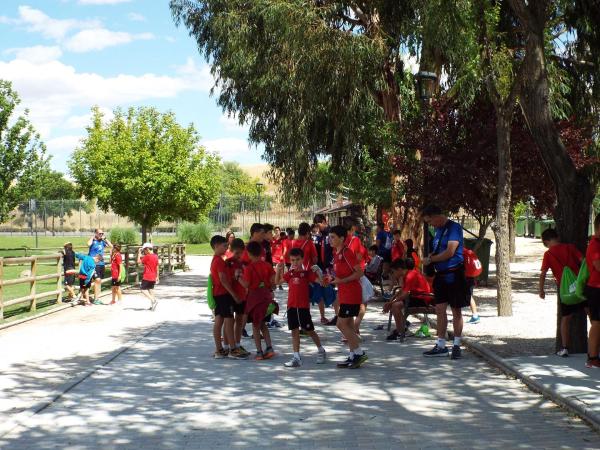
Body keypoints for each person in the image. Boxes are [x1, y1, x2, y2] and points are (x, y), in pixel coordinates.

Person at [421, 205, 468, 360]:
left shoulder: (453, 228)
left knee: (456, 310)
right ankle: (441, 344)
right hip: (440, 275)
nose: (431, 225)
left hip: (454, 273)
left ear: (437, 216)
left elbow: (450, 251)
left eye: (431, 221)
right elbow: (438, 249)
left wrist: (431, 259)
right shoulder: (438, 230)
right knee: (440, 309)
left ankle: (456, 344)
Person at [275, 248, 327, 367]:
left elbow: (323, 282)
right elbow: (277, 282)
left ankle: (321, 350)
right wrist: (278, 270)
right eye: (293, 260)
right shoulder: (290, 274)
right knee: (294, 332)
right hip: (291, 306)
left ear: (302, 259)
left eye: (298, 260)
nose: (295, 262)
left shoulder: (307, 273)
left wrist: (319, 272)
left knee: (309, 331)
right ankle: (296, 357)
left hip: (303, 307)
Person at [538, 229, 584, 356]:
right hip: (580, 286)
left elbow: (543, 273)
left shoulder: (548, 254)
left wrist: (541, 290)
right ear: (557, 237)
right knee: (592, 316)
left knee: (565, 319)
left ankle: (565, 348)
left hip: (565, 291)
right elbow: (583, 261)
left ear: (546, 241)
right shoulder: (570, 247)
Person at [328, 225, 368, 369]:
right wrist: (331, 278)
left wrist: (342, 280)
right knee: (349, 324)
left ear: (342, 238)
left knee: (341, 324)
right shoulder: (336, 253)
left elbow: (359, 273)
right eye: (329, 237)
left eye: (333, 237)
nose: (330, 239)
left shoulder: (347, 253)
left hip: (352, 293)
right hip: (344, 293)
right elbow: (340, 274)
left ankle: (359, 352)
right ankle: (353, 356)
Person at [239, 241, 277, 360]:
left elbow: (246, 284)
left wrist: (238, 277)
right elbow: (273, 281)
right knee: (263, 325)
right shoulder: (267, 265)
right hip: (266, 297)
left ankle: (259, 351)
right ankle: (269, 347)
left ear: (249, 254)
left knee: (255, 327)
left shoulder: (249, 268)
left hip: (254, 299)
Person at [210, 235, 246, 359]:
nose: (226, 248)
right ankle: (233, 349)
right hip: (224, 294)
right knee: (229, 321)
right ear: (216, 246)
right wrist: (234, 294)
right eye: (224, 246)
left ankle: (219, 349)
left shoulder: (217, 259)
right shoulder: (219, 261)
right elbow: (223, 279)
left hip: (218, 294)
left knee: (219, 320)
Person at [383, 258, 432, 341]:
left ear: (399, 269)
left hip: (423, 298)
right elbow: (403, 290)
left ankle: (401, 332)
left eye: (393, 272)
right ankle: (402, 329)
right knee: (395, 304)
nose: (393, 274)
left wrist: (391, 303)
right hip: (416, 297)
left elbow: (404, 294)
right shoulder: (408, 274)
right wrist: (392, 299)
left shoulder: (410, 275)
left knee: (395, 305)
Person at [226, 238, 251, 357]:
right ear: (231, 251)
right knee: (229, 321)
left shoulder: (244, 264)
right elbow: (225, 281)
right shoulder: (228, 263)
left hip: (242, 295)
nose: (238, 255)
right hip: (231, 296)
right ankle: (228, 346)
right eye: (236, 253)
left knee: (240, 320)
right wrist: (234, 277)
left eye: (241, 253)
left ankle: (237, 343)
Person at [313, 214, 336, 325]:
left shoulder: (331, 234)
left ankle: (337, 315)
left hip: (330, 268)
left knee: (334, 291)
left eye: (319, 225)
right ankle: (323, 316)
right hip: (321, 268)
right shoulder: (319, 236)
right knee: (320, 291)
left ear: (323, 222)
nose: (318, 228)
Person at [585, 215, 600, 369]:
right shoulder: (595, 244)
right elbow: (598, 265)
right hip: (596, 289)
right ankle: (593, 357)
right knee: (596, 323)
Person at [87, 229, 112, 305]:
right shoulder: (93, 241)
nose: (101, 234)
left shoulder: (102, 241)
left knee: (99, 281)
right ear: (96, 233)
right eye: (99, 233)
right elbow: (88, 244)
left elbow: (111, 246)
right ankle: (87, 297)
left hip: (101, 264)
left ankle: (96, 298)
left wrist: (105, 239)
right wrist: (92, 237)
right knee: (96, 280)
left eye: (102, 233)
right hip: (94, 264)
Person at [137, 243, 159, 312]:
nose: (144, 252)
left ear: (147, 249)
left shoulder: (147, 256)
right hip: (153, 276)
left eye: (144, 250)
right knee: (150, 289)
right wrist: (157, 276)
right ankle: (152, 305)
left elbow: (138, 262)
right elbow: (157, 267)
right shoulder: (156, 256)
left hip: (147, 276)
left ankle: (153, 300)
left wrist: (139, 254)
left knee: (142, 289)